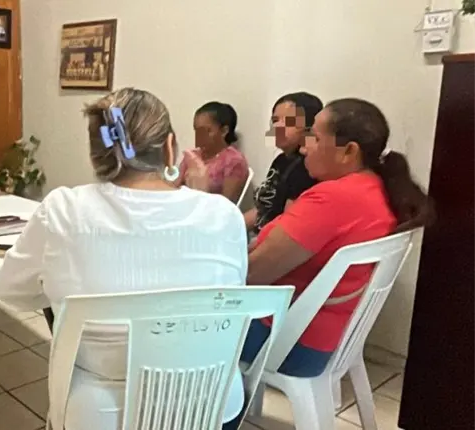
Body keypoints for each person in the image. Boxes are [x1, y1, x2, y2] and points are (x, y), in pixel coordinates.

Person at [0, 88, 248, 430]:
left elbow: (11, 291)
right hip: (212, 405)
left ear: (96, 153)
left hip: (104, 414)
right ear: (170, 148)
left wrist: (58, 288)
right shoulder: (223, 214)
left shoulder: (65, 210)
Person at [188, 98, 432, 378]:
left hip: (289, 340)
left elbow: (249, 276)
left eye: (314, 138)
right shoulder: (374, 187)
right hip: (325, 336)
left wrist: (200, 198)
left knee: (174, 314)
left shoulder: (333, 200)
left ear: (348, 151)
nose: (304, 148)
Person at [246, 92, 321, 235]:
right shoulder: (280, 161)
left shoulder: (306, 168)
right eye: (275, 120)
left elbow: (288, 226)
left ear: (310, 127)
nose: (278, 127)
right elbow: (263, 209)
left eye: (289, 122)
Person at [175, 101, 249, 203]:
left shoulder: (234, 161)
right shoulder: (193, 156)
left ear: (224, 131)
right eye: (197, 131)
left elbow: (227, 205)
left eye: (207, 131)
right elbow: (173, 187)